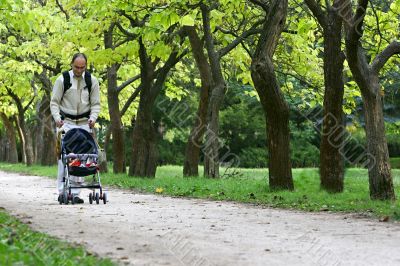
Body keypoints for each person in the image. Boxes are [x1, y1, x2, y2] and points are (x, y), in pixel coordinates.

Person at [50, 53, 101, 204]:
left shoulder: (92, 81)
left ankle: (76, 194)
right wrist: (57, 119)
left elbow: (96, 104)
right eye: (76, 67)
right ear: (71, 64)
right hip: (66, 122)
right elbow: (54, 102)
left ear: (86, 66)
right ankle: (62, 192)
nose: (79, 70)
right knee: (65, 157)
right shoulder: (62, 80)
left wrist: (93, 118)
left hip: (85, 123)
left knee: (82, 157)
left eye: (82, 67)